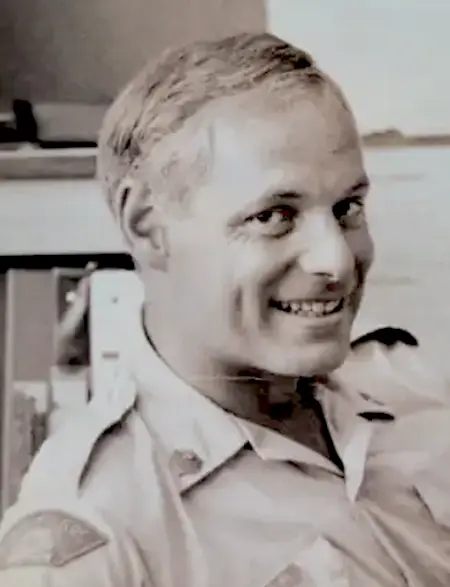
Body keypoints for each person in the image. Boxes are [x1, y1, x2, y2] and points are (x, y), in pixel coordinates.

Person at [1, 32, 450, 587]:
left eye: (347, 208)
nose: (336, 260)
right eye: (274, 216)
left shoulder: (405, 381)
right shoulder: (102, 537)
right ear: (148, 225)